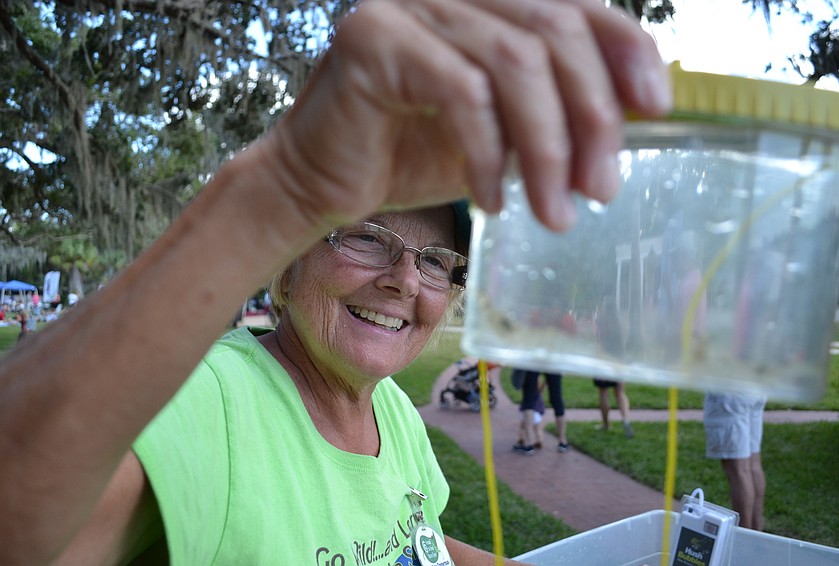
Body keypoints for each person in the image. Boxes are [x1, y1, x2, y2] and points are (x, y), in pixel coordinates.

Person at [0, 1, 671, 563]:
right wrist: (282, 183)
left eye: (437, 260)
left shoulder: (393, 413)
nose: (406, 279)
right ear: (286, 270)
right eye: (367, 237)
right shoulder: (212, 401)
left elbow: (424, 546)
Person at [703, 392, 767, 530]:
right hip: (755, 385)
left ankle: (743, 539)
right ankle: (757, 536)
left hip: (730, 389)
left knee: (739, 470)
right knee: (752, 464)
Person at [592, 295, 633, 437]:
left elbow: (597, 341)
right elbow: (625, 344)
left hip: (604, 361)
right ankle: (626, 421)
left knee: (603, 393)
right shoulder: (621, 323)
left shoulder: (602, 322)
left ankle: (605, 424)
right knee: (620, 393)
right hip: (619, 362)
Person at [513, 367, 570, 453]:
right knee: (556, 397)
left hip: (533, 358)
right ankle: (563, 441)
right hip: (552, 359)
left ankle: (528, 443)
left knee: (529, 398)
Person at [514, 374, 545, 453]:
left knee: (522, 426)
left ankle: (522, 439)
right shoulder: (538, 393)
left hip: (527, 412)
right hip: (537, 413)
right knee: (538, 428)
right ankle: (539, 439)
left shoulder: (528, 391)